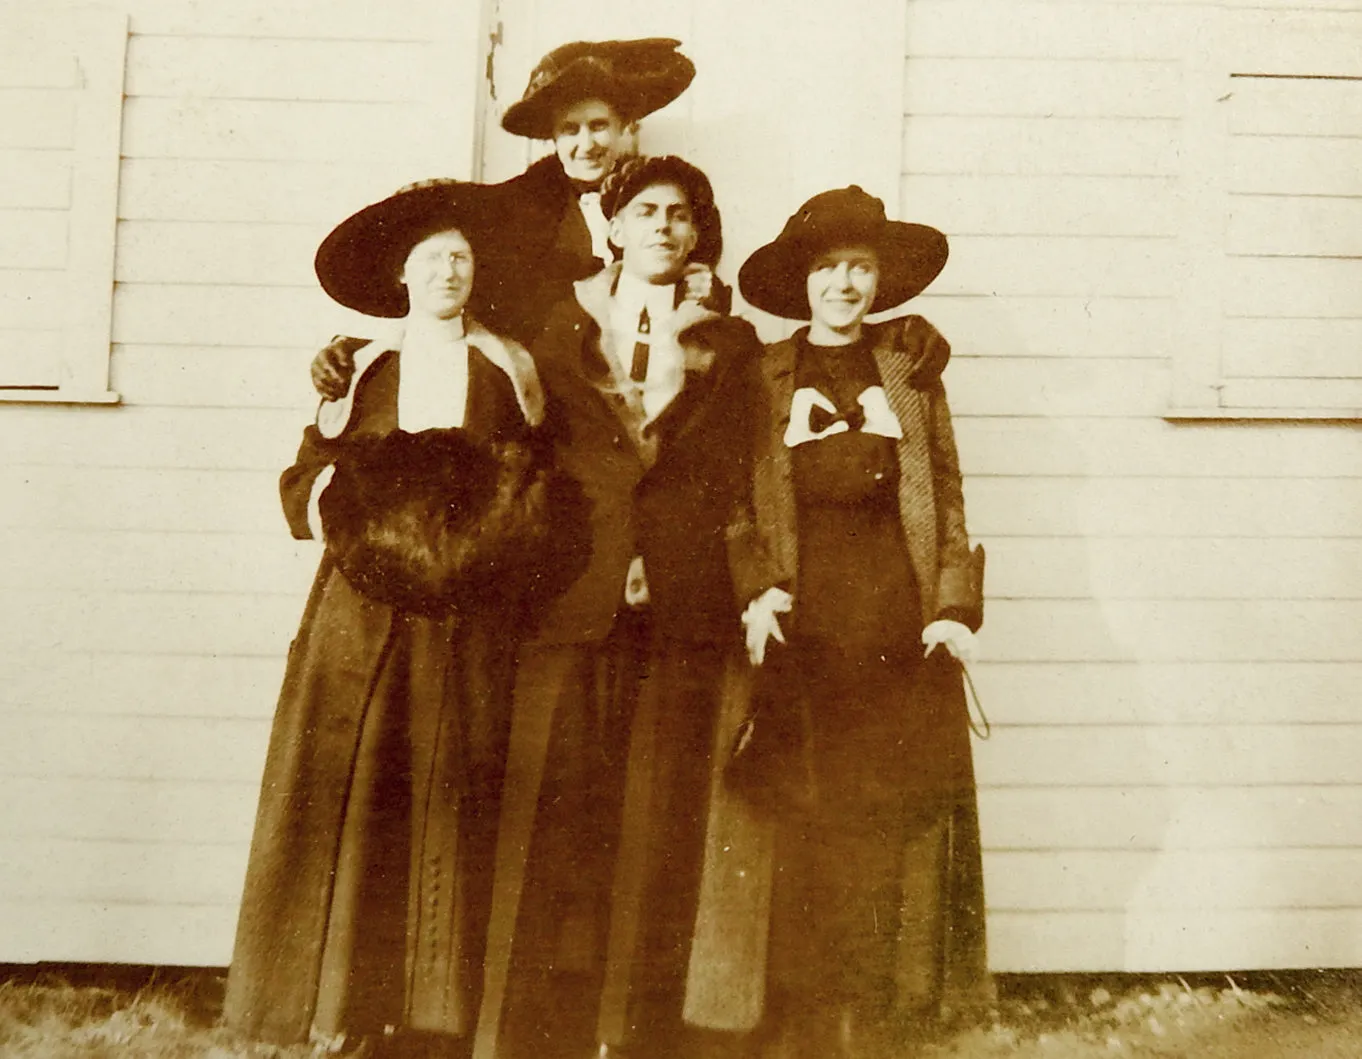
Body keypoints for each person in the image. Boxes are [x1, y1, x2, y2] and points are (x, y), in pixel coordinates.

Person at [224, 184, 582, 1058]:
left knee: (455, 789)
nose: (449, 272)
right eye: (432, 260)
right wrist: (363, 518)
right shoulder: (363, 367)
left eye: (461, 259)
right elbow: (310, 471)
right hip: (365, 614)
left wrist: (490, 542)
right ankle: (342, 1003)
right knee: (361, 788)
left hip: (467, 622)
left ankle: (438, 1010)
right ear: (403, 276)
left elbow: (541, 476)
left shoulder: (509, 366)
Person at [472, 155, 763, 1059]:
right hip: (573, 594)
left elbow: (747, 468)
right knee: (556, 812)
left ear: (697, 231)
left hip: (683, 604)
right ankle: (537, 1029)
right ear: (615, 226)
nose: (665, 227)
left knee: (658, 820)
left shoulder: (733, 341)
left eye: (682, 214)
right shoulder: (559, 326)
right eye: (646, 211)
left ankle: (636, 1032)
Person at [728, 186, 991, 1059]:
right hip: (805, 617)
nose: (845, 283)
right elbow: (733, 497)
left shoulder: (909, 372)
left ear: (880, 279)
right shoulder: (762, 371)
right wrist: (757, 587)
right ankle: (800, 1015)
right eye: (829, 267)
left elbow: (947, 491)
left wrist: (953, 605)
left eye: (861, 267)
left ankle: (870, 1013)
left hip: (892, 618)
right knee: (802, 812)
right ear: (802, 281)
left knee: (885, 814)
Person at [312, 38, 719, 398]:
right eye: (570, 130)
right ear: (552, 137)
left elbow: (694, 312)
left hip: (639, 390)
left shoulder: (667, 206)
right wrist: (356, 351)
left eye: (599, 126)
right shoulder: (511, 210)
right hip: (546, 396)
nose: (586, 144)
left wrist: (705, 289)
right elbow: (444, 299)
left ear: (625, 127)